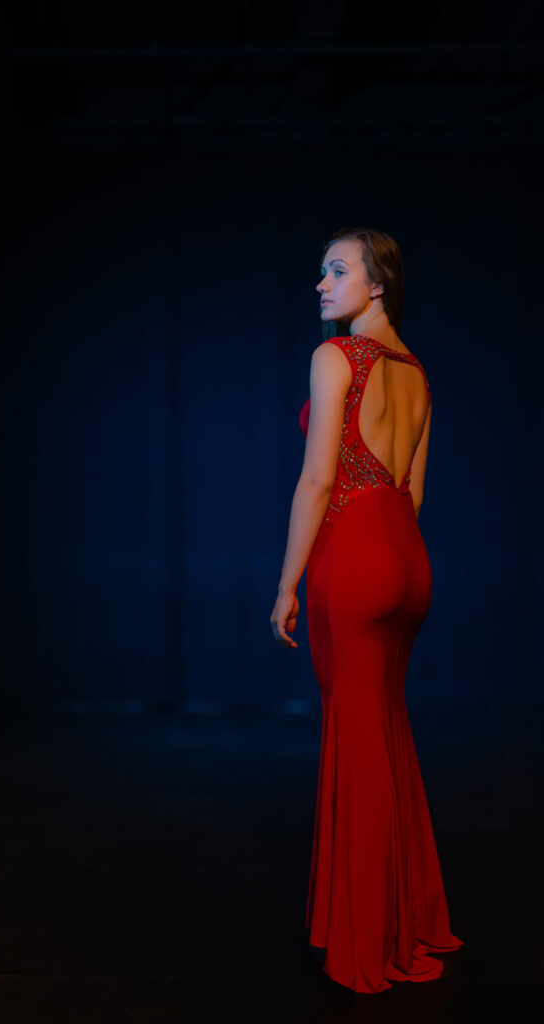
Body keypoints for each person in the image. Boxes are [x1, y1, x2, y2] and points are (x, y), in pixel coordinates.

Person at [269, 227, 464, 994]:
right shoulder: (416, 374)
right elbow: (411, 492)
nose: (321, 283)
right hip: (406, 563)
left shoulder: (334, 358)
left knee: (357, 745)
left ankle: (367, 946)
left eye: (337, 270)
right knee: (386, 733)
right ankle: (408, 921)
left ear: (376, 284)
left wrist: (287, 586)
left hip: (351, 559)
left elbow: (316, 484)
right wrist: (388, 559)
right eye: (320, 270)